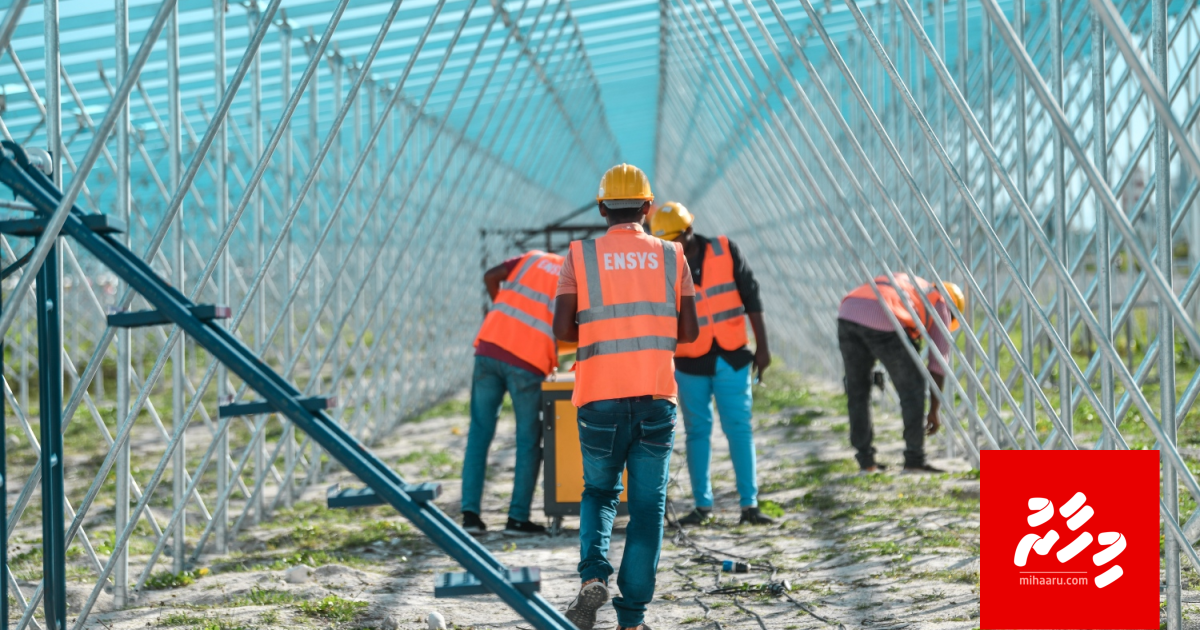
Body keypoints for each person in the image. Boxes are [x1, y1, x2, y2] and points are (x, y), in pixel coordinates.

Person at [554, 164, 699, 630]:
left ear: (601, 208)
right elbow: (691, 333)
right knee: (648, 505)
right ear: (648, 207)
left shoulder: (580, 255)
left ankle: (592, 576)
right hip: (656, 394)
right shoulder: (673, 255)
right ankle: (632, 618)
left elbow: (561, 330)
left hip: (598, 396)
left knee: (598, 491)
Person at [648, 202, 773, 526]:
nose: (673, 248)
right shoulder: (662, 265)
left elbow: (752, 296)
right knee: (697, 432)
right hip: (690, 360)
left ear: (689, 231)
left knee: (739, 428)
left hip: (732, 354)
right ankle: (702, 506)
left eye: (677, 241)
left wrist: (763, 346)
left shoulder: (725, 249)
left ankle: (750, 505)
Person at [461, 249, 564, 536]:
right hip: (527, 361)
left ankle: (470, 516)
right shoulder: (573, 274)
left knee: (479, 433)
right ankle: (517, 518)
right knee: (528, 439)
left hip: (490, 345)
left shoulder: (531, 258)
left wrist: (501, 310)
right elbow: (569, 325)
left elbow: (490, 275)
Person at [837, 273, 965, 473]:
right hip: (885, 315)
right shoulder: (940, 302)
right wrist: (933, 410)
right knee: (912, 388)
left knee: (858, 389)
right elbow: (938, 363)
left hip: (848, 311)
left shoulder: (915, 285)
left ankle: (866, 461)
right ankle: (914, 459)